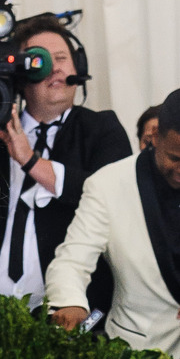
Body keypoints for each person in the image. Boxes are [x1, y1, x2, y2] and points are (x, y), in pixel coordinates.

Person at [0, 15, 132, 311]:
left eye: (62, 58)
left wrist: (31, 161)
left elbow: (113, 199)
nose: (55, 68)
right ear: (19, 77)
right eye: (40, 60)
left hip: (68, 312)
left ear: (79, 67)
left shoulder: (102, 128)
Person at [45, 88, 180, 357]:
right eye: (175, 158)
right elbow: (72, 259)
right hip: (137, 347)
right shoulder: (107, 185)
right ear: (154, 138)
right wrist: (71, 303)